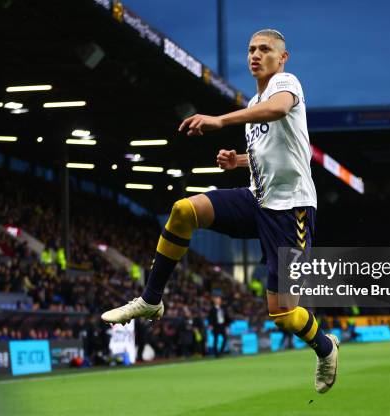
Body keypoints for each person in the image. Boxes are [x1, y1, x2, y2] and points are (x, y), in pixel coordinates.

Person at [102, 28, 339, 393]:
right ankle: (151, 300)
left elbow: (278, 110)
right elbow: (286, 153)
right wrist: (240, 161)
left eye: (264, 49)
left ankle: (326, 348)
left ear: (283, 57)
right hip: (256, 199)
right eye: (250, 50)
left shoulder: (287, 84)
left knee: (284, 315)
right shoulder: (254, 103)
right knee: (183, 210)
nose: (255, 56)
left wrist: (218, 121)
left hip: (292, 213)